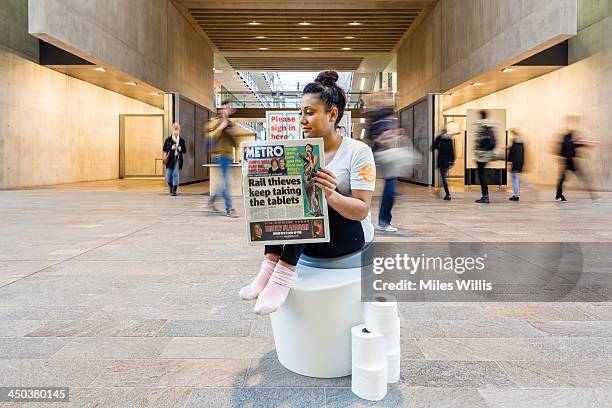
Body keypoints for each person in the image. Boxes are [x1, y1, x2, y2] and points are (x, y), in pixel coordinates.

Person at [239, 70, 376, 315]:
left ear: (332, 115)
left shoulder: (358, 151)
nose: (301, 119)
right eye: (300, 112)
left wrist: (331, 194)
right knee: (284, 193)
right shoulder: (299, 149)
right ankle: (270, 264)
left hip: (348, 238)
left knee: (310, 193)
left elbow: (361, 210)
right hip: (309, 243)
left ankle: (282, 275)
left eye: (309, 113)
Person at [365, 90, 399, 232]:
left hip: (385, 152)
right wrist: (385, 136)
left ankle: (384, 220)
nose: (385, 98)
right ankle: (384, 221)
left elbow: (391, 108)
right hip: (381, 151)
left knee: (391, 187)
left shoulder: (383, 113)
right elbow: (374, 137)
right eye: (382, 96)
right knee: (389, 187)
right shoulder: (375, 114)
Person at [207, 101, 239, 217]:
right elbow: (209, 136)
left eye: (231, 107)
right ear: (223, 108)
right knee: (227, 181)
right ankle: (229, 208)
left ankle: (212, 200)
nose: (230, 109)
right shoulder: (215, 121)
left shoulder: (231, 123)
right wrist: (221, 127)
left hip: (229, 156)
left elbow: (236, 144)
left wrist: (233, 134)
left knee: (224, 181)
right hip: (220, 155)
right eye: (228, 106)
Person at [555, 118, 597, 202]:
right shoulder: (567, 138)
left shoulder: (569, 138)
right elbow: (568, 147)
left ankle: (559, 195)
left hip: (569, 160)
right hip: (568, 161)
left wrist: (583, 144)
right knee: (568, 178)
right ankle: (592, 194)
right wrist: (580, 144)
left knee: (564, 178)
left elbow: (571, 146)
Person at [473, 110, 497, 203]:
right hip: (487, 155)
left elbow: (478, 142)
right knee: (482, 175)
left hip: (481, 155)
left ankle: (485, 196)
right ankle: (485, 196)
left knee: (481, 175)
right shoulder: (490, 126)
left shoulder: (480, 126)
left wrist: (475, 154)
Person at [297, 144, 322, 216]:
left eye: (309, 148)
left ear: (312, 149)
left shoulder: (315, 156)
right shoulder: (304, 157)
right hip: (305, 177)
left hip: (312, 177)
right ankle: (312, 210)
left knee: (314, 194)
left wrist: (310, 157)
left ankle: (317, 211)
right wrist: (301, 156)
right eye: (306, 148)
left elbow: (312, 167)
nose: (308, 149)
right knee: (308, 195)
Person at [162, 123, 186, 196]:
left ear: (179, 130)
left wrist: (180, 149)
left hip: (177, 159)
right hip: (170, 160)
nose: (176, 131)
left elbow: (184, 150)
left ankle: (174, 190)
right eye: (174, 129)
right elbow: (164, 148)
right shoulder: (168, 140)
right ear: (172, 130)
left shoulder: (181, 140)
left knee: (175, 174)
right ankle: (171, 187)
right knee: (168, 176)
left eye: (177, 129)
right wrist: (171, 148)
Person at [432, 126, 455, 200]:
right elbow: (452, 150)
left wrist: (438, 147)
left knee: (443, 177)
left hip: (441, 161)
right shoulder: (449, 139)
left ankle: (448, 194)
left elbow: (432, 147)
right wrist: (452, 161)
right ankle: (439, 191)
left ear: (441, 132)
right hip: (448, 161)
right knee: (443, 177)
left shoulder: (439, 138)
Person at [507, 129, 525, 201]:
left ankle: (516, 195)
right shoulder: (521, 142)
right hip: (520, 162)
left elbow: (513, 152)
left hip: (515, 163)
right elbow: (518, 152)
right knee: (516, 178)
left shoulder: (514, 141)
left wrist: (509, 160)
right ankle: (516, 194)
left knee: (514, 179)